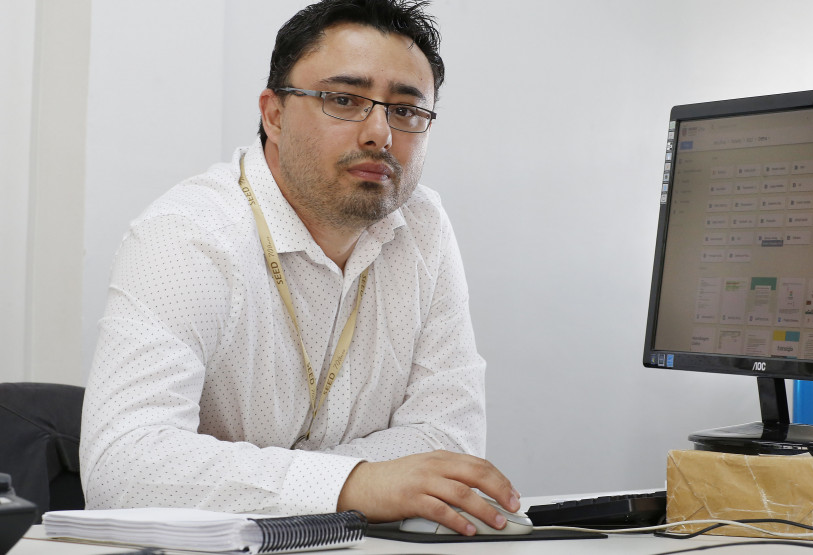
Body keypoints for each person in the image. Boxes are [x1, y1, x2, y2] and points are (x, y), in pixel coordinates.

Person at [80, 0, 519, 537]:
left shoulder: (422, 225)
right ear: (274, 114)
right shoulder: (189, 235)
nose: (379, 133)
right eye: (343, 100)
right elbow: (121, 465)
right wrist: (356, 484)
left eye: (405, 110)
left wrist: (315, 483)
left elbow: (449, 437)